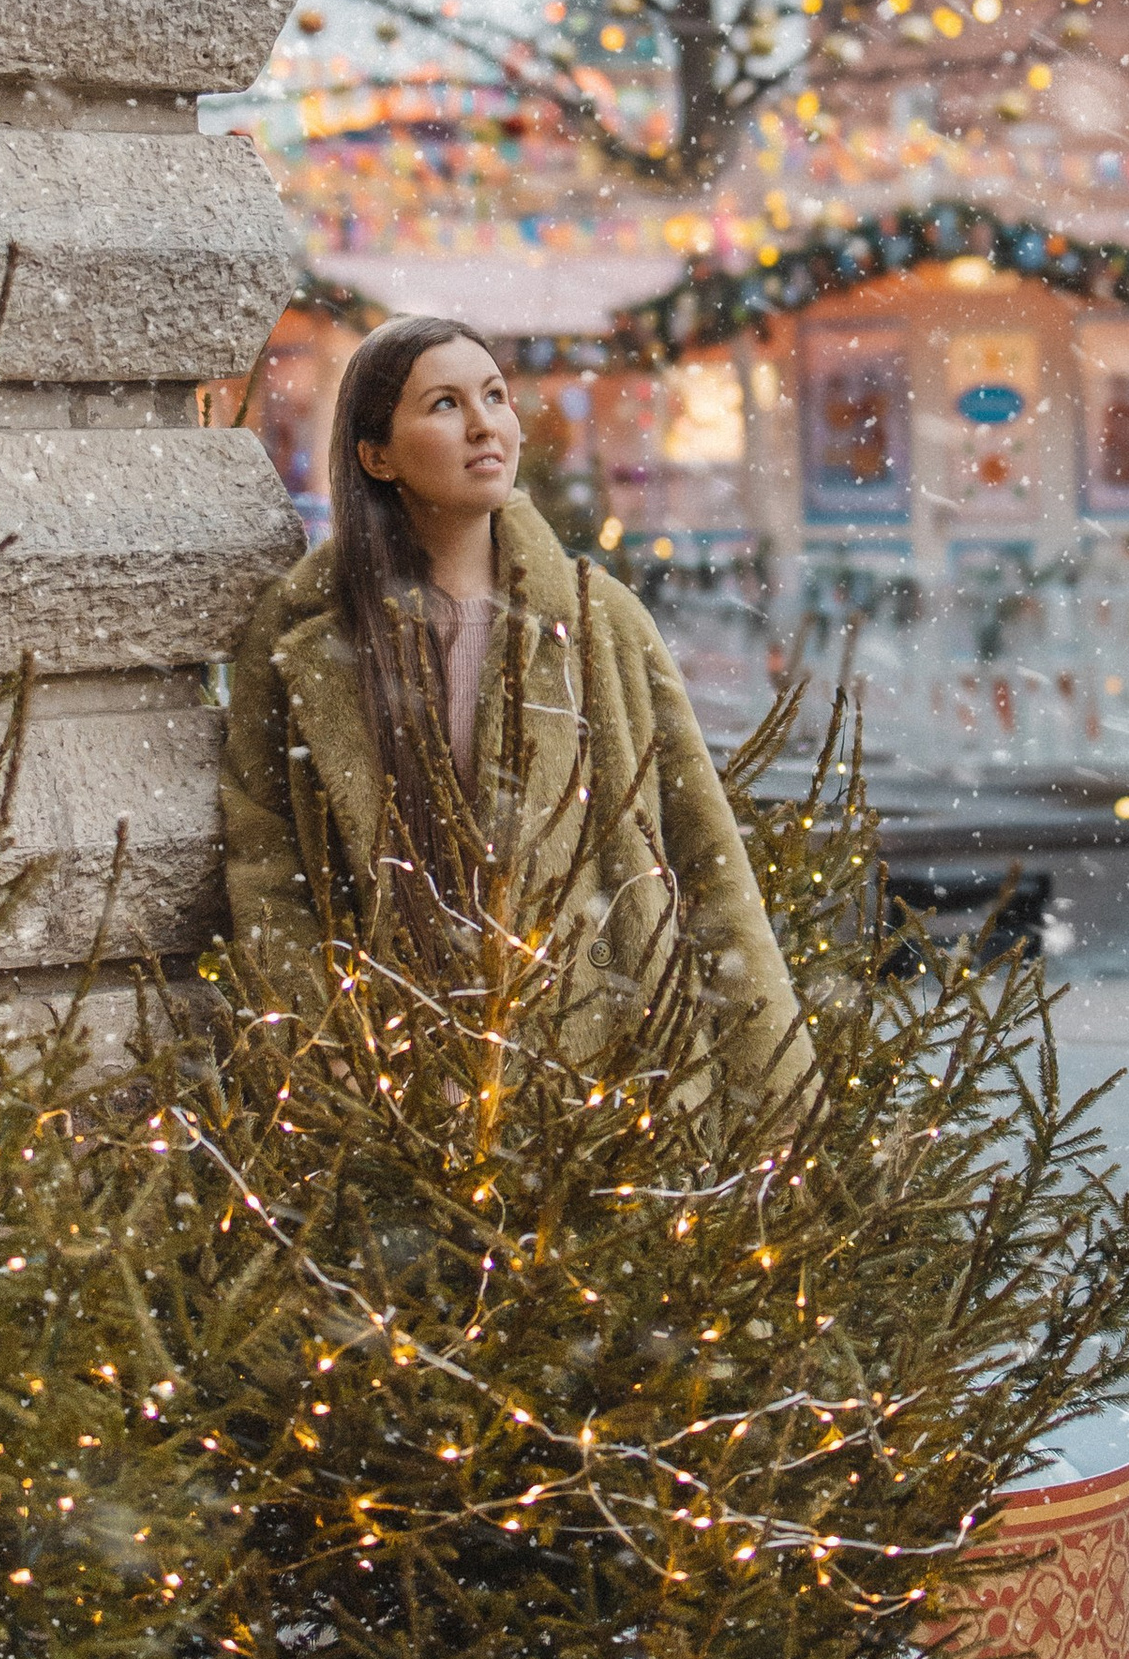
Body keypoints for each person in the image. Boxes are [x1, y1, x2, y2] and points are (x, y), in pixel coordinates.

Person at [220, 315, 808, 1102]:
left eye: (494, 396)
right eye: (444, 404)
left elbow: (708, 865)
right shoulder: (306, 640)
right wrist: (312, 1031)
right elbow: (266, 860)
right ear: (376, 456)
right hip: (392, 1084)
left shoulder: (598, 622)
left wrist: (779, 1103)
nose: (484, 425)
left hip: (606, 1074)